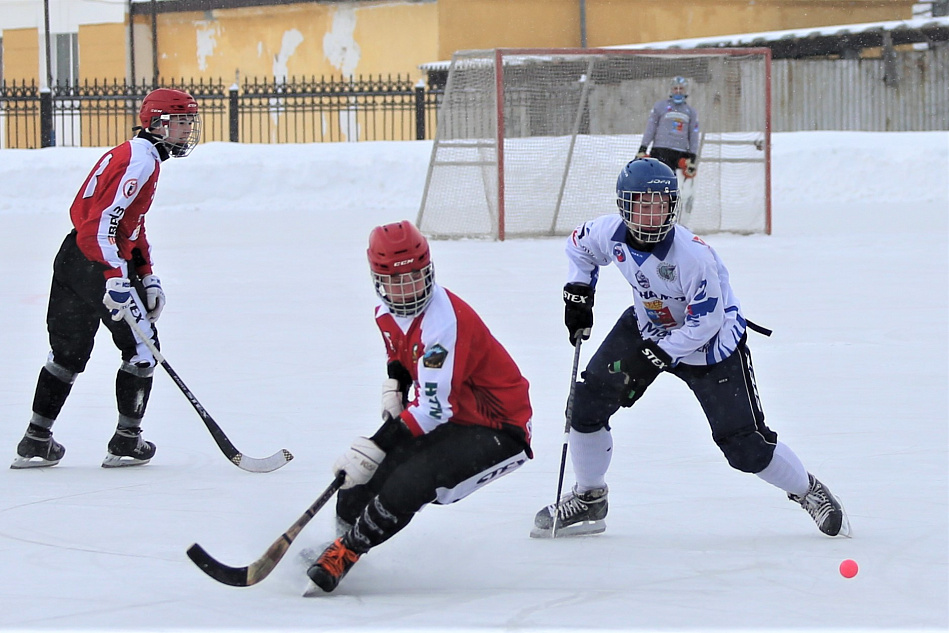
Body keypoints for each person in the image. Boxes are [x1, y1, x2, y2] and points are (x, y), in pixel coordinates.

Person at [531, 158, 850, 539]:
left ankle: (807, 490)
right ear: (624, 206)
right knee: (585, 406)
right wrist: (579, 292)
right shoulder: (606, 231)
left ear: (672, 207)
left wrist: (665, 352)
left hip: (711, 347)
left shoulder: (693, 256)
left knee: (743, 447)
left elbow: (707, 321)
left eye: (660, 205)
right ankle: (589, 497)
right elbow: (579, 247)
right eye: (641, 204)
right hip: (648, 325)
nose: (651, 214)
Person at [306, 220, 533, 593]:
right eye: (395, 282)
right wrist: (395, 383)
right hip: (452, 415)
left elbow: (432, 411)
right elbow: (398, 353)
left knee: (411, 478)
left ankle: (347, 552)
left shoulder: (444, 324)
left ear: (428, 271)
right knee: (364, 479)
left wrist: (377, 443)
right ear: (378, 280)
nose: (407, 290)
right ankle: (341, 542)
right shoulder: (384, 313)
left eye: (414, 277)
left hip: (498, 429)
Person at [11, 88, 201, 470]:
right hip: (99, 260)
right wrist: (117, 277)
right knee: (143, 348)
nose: (186, 130)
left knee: (67, 353)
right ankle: (127, 440)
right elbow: (103, 223)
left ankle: (36, 439)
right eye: (180, 121)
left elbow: (131, 222)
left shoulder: (137, 154)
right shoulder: (141, 160)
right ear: (157, 122)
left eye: (188, 122)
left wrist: (145, 274)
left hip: (74, 259)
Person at [636, 76, 700, 180]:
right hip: (660, 150)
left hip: (679, 152)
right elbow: (651, 128)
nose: (678, 91)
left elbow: (694, 134)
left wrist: (692, 155)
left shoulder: (691, 112)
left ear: (686, 91)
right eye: (675, 88)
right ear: (671, 90)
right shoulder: (660, 106)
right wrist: (643, 147)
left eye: (681, 88)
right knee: (656, 179)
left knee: (672, 181)